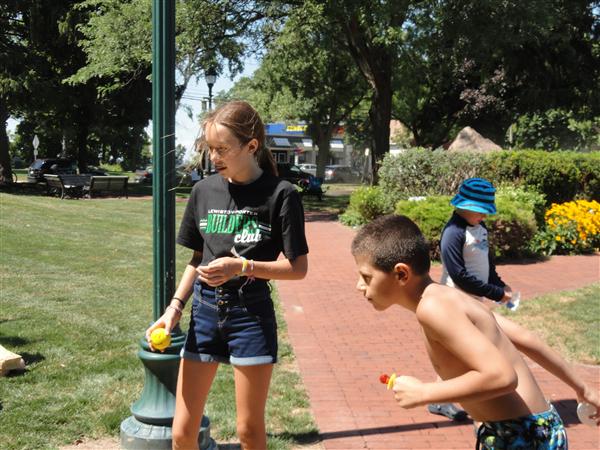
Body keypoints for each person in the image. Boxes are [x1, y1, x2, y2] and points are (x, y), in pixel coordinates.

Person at [145, 101, 309, 450]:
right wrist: (174, 309)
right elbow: (197, 259)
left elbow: (298, 269)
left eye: (222, 148)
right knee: (182, 433)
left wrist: (243, 267)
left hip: (250, 313)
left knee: (248, 431)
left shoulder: (282, 195)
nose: (213, 157)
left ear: (252, 146)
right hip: (204, 312)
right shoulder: (204, 191)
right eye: (209, 148)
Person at [351, 215, 582, 449]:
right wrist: (582, 388)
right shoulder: (447, 297)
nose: (359, 285)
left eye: (366, 277)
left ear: (401, 274)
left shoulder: (433, 308)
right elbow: (524, 337)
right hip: (530, 429)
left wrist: (423, 392)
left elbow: (502, 376)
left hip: (520, 435)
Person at [429, 177, 599, 423]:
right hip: (455, 301)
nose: (484, 216)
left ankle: (441, 397)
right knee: (479, 349)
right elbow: (459, 275)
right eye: (480, 211)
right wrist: (495, 293)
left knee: (459, 353)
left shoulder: (480, 228)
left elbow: (487, 265)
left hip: (475, 300)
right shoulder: (453, 233)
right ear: (464, 206)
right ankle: (478, 401)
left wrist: (499, 284)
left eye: (486, 212)